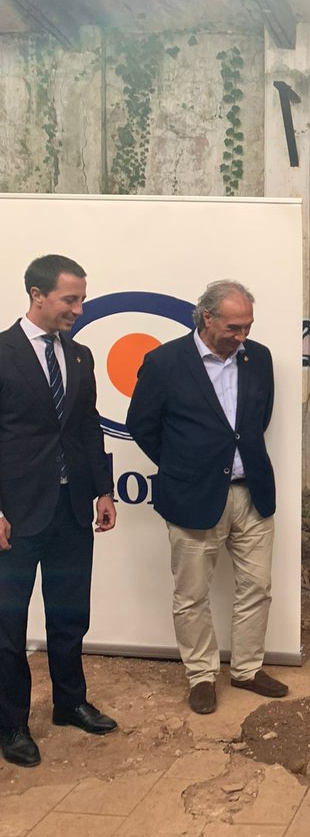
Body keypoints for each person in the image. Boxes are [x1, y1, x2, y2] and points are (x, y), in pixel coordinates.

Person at [126, 279, 287, 714]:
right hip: (192, 496)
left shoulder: (259, 359)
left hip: (252, 492)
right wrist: (184, 465)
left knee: (257, 586)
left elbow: (257, 419)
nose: (242, 337)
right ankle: (201, 675)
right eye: (233, 328)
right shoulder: (164, 363)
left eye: (248, 327)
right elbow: (142, 425)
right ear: (207, 318)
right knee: (191, 594)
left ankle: (247, 669)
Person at [0, 254, 118, 768]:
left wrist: (104, 491)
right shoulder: (1, 353)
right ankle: (11, 724)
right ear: (37, 295)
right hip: (16, 515)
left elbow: (87, 426)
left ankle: (69, 703)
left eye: (82, 299)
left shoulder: (80, 355)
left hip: (72, 510)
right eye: (71, 299)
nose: (78, 308)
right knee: (8, 625)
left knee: (70, 615)